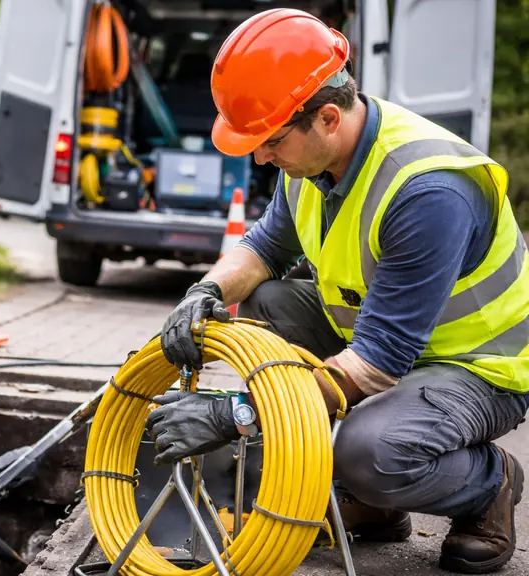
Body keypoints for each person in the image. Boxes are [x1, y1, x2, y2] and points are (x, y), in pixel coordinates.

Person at [145, 8, 529, 574]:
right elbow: (266, 249)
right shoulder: (309, 158)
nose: (259, 156)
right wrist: (205, 291)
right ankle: (377, 505)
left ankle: (487, 482)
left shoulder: (428, 191)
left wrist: (238, 415)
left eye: (270, 141)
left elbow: (379, 361)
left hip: (475, 367)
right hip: (388, 343)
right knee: (266, 301)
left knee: (364, 451)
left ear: (327, 116)